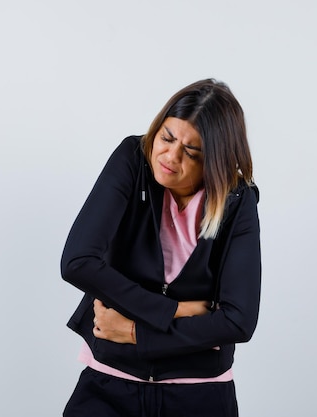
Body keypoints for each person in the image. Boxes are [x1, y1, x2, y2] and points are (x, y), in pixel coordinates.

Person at [60, 78, 261, 417]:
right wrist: (175, 311)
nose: (170, 156)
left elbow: (239, 321)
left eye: (192, 152)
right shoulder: (132, 159)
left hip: (199, 396)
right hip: (108, 387)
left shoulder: (236, 201)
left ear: (216, 163)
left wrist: (136, 332)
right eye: (166, 138)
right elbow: (78, 262)